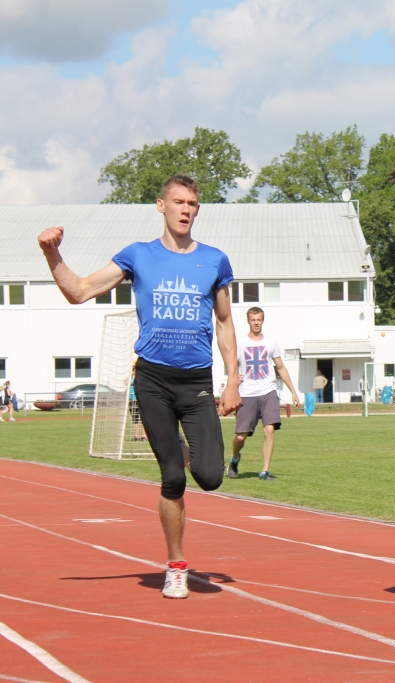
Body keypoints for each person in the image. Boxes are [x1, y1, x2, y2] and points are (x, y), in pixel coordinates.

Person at [37, 173, 242, 599]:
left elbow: (224, 322)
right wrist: (51, 253)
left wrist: (233, 379)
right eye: (179, 202)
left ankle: (185, 450)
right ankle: (176, 565)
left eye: (193, 204)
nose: (186, 210)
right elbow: (79, 291)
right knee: (172, 479)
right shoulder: (138, 256)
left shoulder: (215, 261)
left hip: (196, 381)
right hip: (152, 380)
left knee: (209, 477)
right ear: (161, 206)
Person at [228, 307, 300, 481]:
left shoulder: (270, 343)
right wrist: (233, 377)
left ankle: (264, 471)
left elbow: (280, 367)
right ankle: (235, 458)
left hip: (268, 390)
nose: (256, 323)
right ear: (248, 321)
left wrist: (293, 391)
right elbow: (231, 364)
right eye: (253, 319)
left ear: (262, 321)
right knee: (240, 436)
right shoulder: (240, 344)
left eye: (259, 319)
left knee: (269, 430)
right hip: (247, 393)